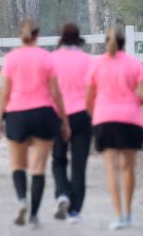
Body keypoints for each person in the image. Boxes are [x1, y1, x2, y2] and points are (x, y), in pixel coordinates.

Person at [0, 20, 70, 229]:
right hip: (43, 115)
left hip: (17, 114)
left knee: (18, 165)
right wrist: (64, 121)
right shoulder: (47, 58)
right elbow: (56, 93)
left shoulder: (10, 59)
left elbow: (5, 93)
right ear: (37, 36)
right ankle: (34, 215)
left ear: (21, 36)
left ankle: (21, 201)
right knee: (38, 168)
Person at [85, 26, 143, 231]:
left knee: (111, 170)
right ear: (124, 43)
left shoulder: (97, 65)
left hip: (105, 120)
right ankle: (129, 212)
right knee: (129, 168)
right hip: (130, 120)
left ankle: (119, 215)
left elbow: (88, 97)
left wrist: (93, 113)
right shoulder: (135, 64)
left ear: (107, 42)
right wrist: (135, 101)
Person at [50, 23, 93, 223]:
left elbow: (49, 91)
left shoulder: (52, 59)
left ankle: (63, 193)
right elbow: (93, 90)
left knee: (58, 158)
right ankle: (75, 210)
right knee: (79, 164)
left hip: (58, 115)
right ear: (78, 39)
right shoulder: (87, 60)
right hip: (82, 114)